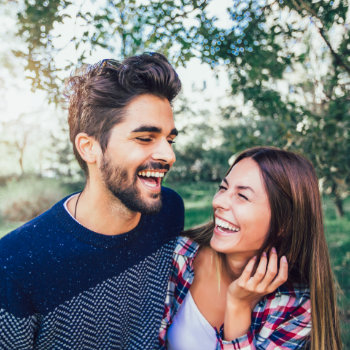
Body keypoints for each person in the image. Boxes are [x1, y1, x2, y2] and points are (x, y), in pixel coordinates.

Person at [0, 53, 185, 349]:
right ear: (89, 148)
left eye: (169, 139)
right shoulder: (14, 264)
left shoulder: (169, 212)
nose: (169, 155)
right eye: (145, 138)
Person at [159, 146, 342, 350]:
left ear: (284, 223)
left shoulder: (296, 307)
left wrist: (238, 307)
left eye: (242, 196)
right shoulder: (177, 257)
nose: (218, 201)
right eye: (223, 188)